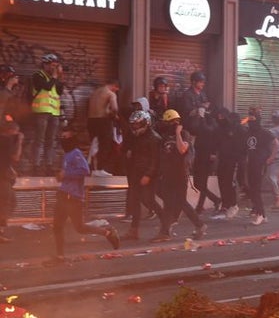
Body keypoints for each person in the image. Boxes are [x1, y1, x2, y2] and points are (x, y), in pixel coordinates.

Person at [53, 123, 120, 257]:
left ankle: (107, 232)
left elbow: (85, 170)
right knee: (57, 226)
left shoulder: (76, 154)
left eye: (65, 137)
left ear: (72, 138)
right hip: (64, 194)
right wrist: (61, 176)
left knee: (80, 227)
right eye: (62, 137)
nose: (63, 140)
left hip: (73, 197)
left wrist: (66, 174)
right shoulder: (67, 155)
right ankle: (59, 255)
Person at [153, 109, 205, 243]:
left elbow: (182, 149)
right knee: (169, 204)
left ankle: (199, 225)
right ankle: (165, 231)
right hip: (167, 174)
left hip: (179, 174)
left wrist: (177, 133)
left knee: (181, 202)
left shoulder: (184, 134)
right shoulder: (164, 137)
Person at [122, 109, 162, 241]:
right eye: (134, 125)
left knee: (148, 200)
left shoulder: (154, 138)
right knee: (134, 201)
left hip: (148, 174)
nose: (135, 127)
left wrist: (148, 175)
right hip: (136, 172)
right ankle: (134, 231)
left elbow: (156, 160)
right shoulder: (137, 137)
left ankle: (166, 223)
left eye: (138, 125)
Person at [28, 53, 64, 175]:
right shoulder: (37, 76)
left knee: (51, 141)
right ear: (45, 64)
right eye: (52, 65)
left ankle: (48, 166)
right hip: (41, 112)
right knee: (39, 140)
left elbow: (60, 91)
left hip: (54, 113)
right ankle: (36, 167)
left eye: (56, 66)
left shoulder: (54, 78)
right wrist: (54, 76)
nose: (54, 68)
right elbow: (47, 87)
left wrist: (60, 76)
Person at [242, 107, 275, 226]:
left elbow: (275, 143)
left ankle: (260, 214)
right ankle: (262, 214)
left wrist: (271, 157)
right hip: (251, 163)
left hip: (260, 163)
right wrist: (247, 119)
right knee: (252, 189)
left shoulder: (264, 132)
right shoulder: (248, 132)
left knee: (255, 189)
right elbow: (240, 125)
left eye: (253, 117)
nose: (251, 120)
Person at [212, 108, 242, 220]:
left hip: (232, 159)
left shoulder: (235, 128)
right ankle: (225, 204)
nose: (219, 118)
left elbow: (239, 143)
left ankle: (233, 205)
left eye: (221, 116)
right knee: (222, 182)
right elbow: (217, 142)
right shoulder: (219, 128)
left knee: (229, 183)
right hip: (223, 158)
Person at [0, 114, 22, 244]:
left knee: (9, 203)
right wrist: (19, 141)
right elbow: (15, 157)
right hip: (2, 179)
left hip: (4, 175)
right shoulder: (7, 140)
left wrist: (11, 170)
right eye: (16, 132)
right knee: (6, 204)